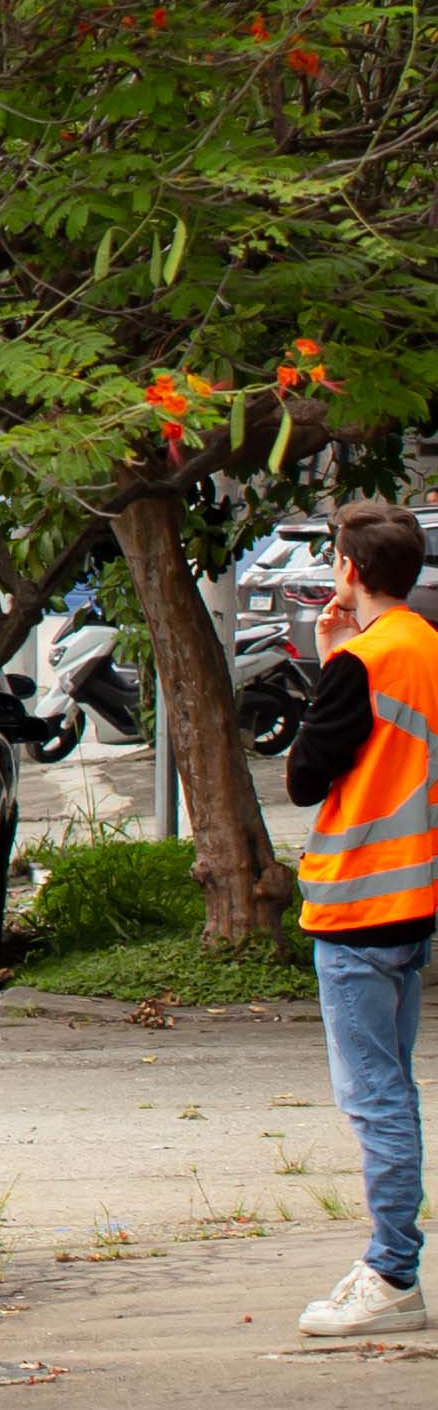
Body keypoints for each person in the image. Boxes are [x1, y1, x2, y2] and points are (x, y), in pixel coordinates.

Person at [288, 494, 438, 1339]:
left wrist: (330, 665)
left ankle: (391, 1272)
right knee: (394, 1092)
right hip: (413, 904)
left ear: (348, 570)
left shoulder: (363, 663)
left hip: (356, 905)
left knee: (375, 1099)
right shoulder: (427, 647)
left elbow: (306, 777)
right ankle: (390, 1263)